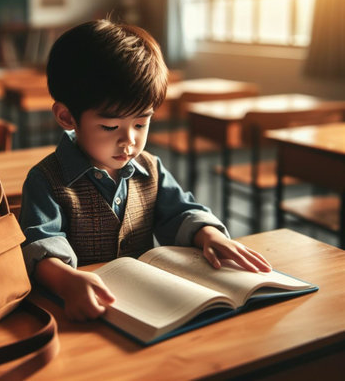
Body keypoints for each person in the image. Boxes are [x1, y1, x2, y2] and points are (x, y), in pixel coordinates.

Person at [20, 19, 271, 321]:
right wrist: (66, 280)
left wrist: (209, 235)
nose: (129, 140)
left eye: (141, 123)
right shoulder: (47, 179)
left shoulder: (149, 168)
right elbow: (39, 244)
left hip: (147, 307)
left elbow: (179, 211)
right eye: (110, 126)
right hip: (78, 307)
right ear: (67, 116)